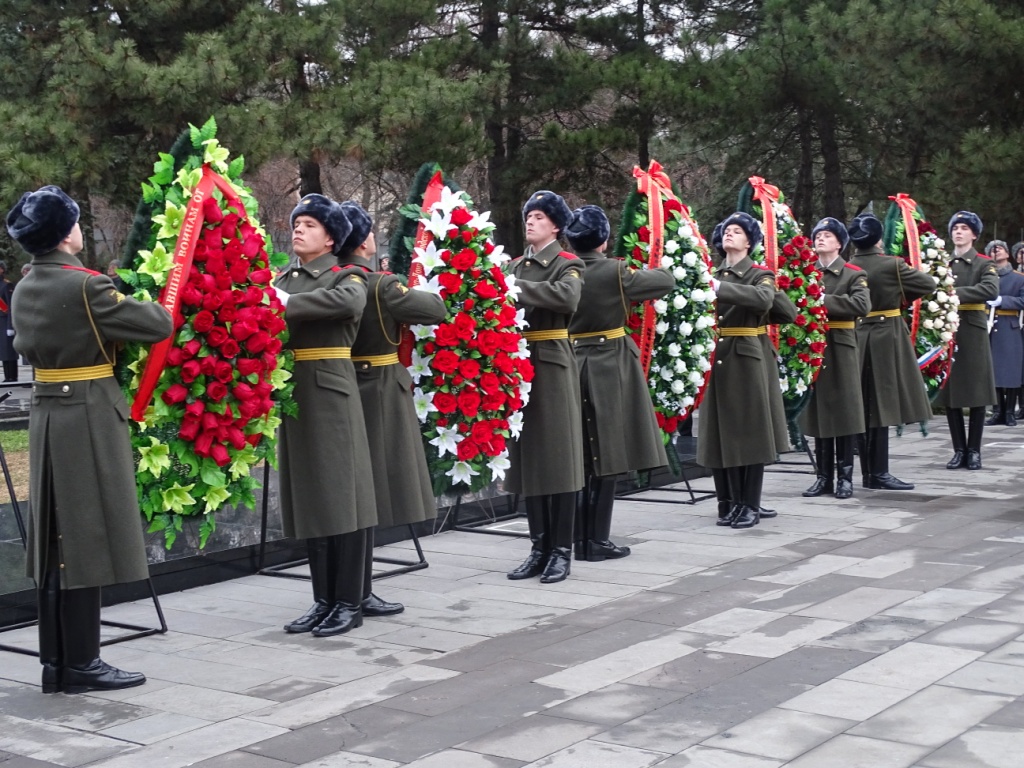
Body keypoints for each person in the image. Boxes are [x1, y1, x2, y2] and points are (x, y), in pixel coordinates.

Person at [6, 185, 173, 693]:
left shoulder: (25, 285)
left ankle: (57, 661)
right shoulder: (85, 285)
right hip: (88, 414)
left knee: (57, 536)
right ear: (65, 232)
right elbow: (158, 323)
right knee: (85, 536)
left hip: (48, 412)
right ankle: (81, 662)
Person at [273, 194, 377, 637]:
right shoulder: (283, 278)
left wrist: (281, 304)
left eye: (311, 225)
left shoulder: (347, 274)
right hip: (294, 391)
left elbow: (349, 305)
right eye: (297, 223)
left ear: (331, 237)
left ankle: (348, 601)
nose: (299, 230)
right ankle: (323, 599)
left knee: (342, 496)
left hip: (331, 390)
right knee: (313, 497)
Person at [344, 201, 445, 616]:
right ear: (365, 241)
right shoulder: (380, 284)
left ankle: (344, 589)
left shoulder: (322, 282)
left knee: (347, 493)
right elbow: (434, 309)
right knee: (367, 495)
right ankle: (359, 589)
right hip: (380, 391)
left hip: (338, 385)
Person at [566, 205, 674, 560]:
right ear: (604, 240)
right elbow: (664, 281)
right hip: (609, 362)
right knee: (608, 452)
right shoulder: (614, 271)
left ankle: (576, 537)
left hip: (569, 360)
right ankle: (595, 540)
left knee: (579, 454)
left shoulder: (563, 271)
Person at [505, 190, 585, 583]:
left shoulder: (567, 263)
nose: (530, 222)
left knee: (559, 457)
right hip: (519, 362)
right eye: (528, 216)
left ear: (556, 225)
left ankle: (561, 550)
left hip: (552, 361)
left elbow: (566, 299)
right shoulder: (515, 264)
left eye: (538, 217)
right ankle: (538, 546)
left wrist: (513, 287)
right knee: (531, 457)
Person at [697, 212, 794, 529]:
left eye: (737, 231)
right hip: (718, 354)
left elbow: (764, 299)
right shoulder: (712, 273)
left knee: (749, 430)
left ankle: (748, 503)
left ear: (749, 241)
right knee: (720, 429)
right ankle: (727, 503)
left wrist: (719, 287)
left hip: (748, 355)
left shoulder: (759, 273)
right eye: (726, 230)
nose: (729, 234)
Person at [848, 213, 936, 489]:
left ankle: (866, 473)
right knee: (882, 405)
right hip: (887, 335)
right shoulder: (892, 265)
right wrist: (899, 296)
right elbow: (928, 285)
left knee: (862, 405)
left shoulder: (848, 266)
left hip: (856, 334)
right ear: (878, 240)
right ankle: (879, 472)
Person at [799, 218, 871, 499]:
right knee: (819, 411)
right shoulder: (807, 273)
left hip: (841, 346)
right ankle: (823, 476)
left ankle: (845, 477)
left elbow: (862, 305)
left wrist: (821, 299)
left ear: (840, 243)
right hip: (815, 345)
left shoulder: (853, 273)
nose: (820, 239)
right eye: (817, 235)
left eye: (827, 235)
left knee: (845, 410)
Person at [933, 211, 999, 469]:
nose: (958, 232)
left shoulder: (983, 263)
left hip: (972, 329)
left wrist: (951, 294)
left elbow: (990, 289)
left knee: (976, 391)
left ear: (974, 234)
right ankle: (959, 449)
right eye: (955, 228)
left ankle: (974, 450)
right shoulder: (941, 263)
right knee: (951, 392)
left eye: (963, 228)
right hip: (948, 329)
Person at [983, 240, 1024, 426]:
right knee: (993, 371)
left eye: (999, 248)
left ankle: (1009, 412)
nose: (995, 251)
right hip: (988, 325)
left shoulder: (1019, 278)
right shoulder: (985, 277)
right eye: (991, 249)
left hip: (1009, 324)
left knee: (1012, 371)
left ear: (1007, 254)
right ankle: (997, 411)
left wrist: (1003, 300)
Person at [0, 260, 17, 381]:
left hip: (6, 321)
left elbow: (10, 307)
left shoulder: (7, 285)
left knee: (9, 351)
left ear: (2, 270)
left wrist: (10, 326)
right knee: (3, 351)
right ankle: (7, 376)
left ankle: (12, 376)